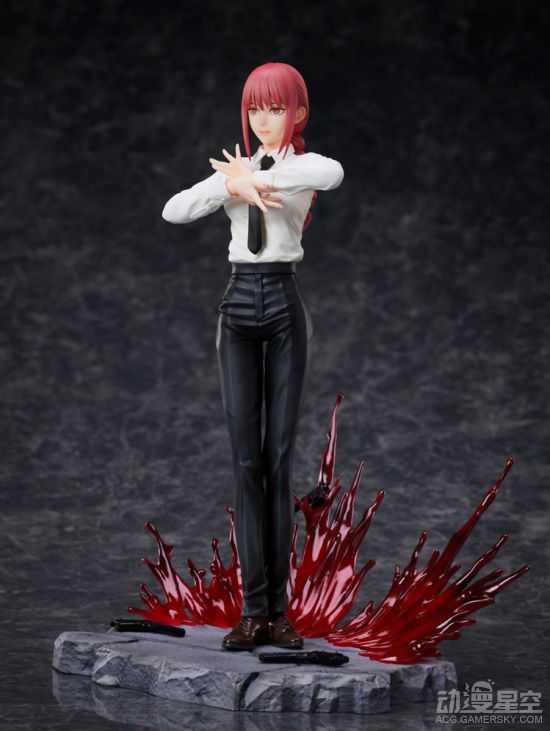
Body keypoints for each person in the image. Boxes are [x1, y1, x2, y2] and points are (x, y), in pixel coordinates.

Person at [162, 62, 344, 650]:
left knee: (278, 460)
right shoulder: (233, 171)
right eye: (255, 109)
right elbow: (174, 209)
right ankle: (253, 609)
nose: (264, 120)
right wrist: (231, 187)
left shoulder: (302, 168)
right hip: (237, 305)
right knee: (246, 464)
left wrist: (257, 180)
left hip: (284, 304)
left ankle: (280, 613)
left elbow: (331, 172)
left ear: (299, 113)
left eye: (277, 109)